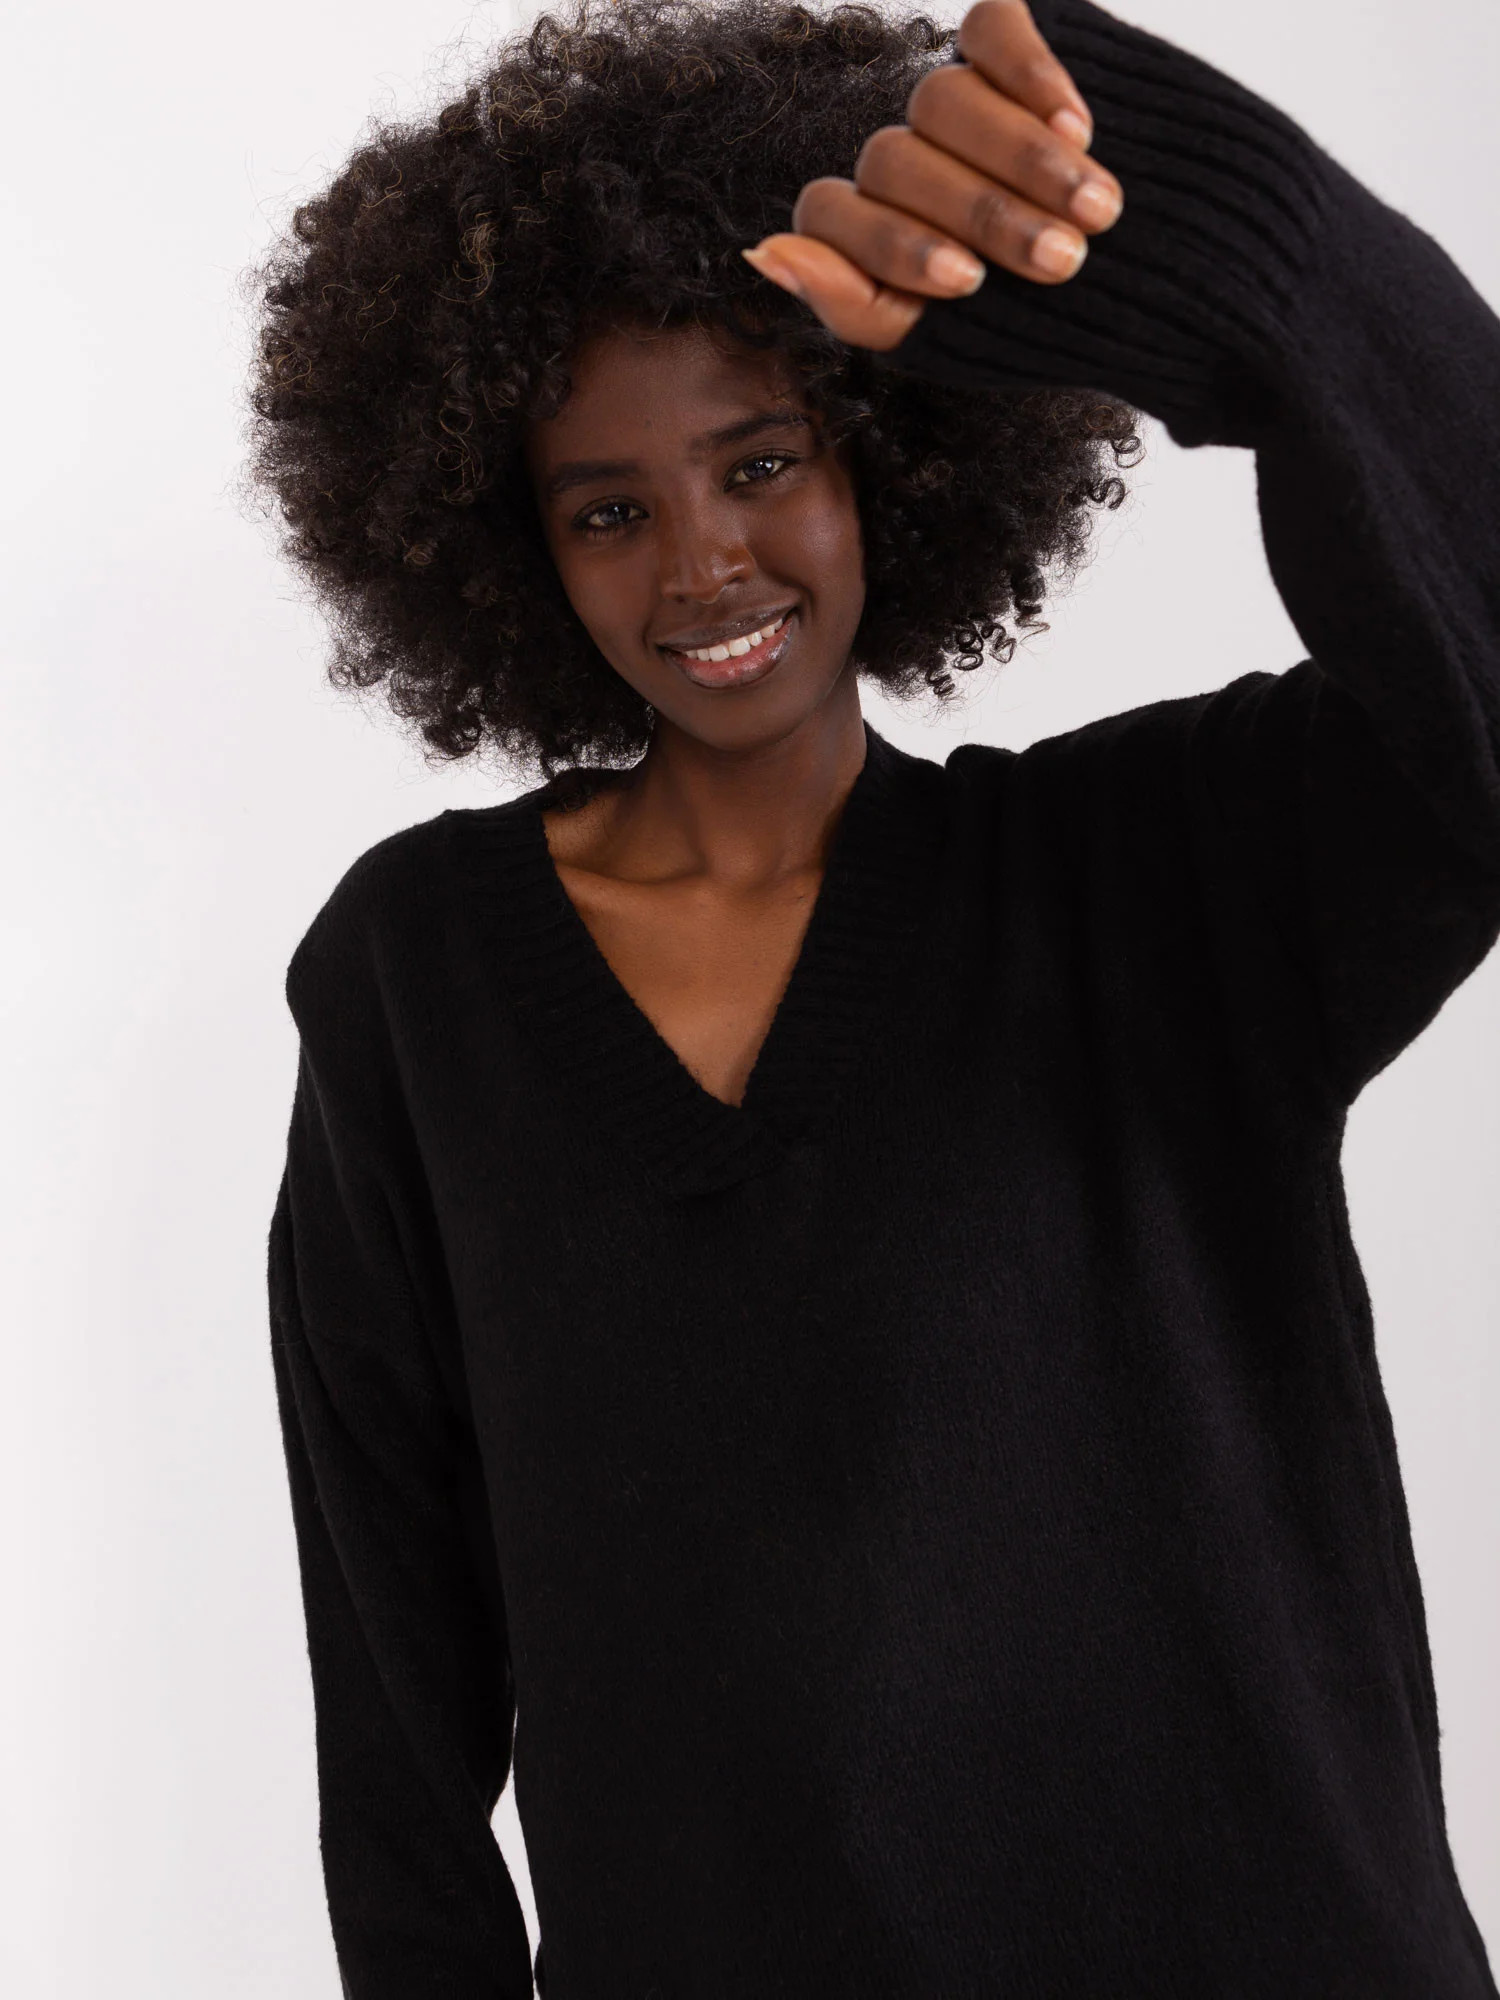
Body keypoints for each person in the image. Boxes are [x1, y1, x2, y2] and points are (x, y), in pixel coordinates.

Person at [247, 0, 1500, 1992]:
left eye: (761, 461)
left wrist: (1252, 271)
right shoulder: (421, 978)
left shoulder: (1167, 877)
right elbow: (392, 1681)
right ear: (510, 547)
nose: (701, 563)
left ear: (887, 459)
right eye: (609, 508)